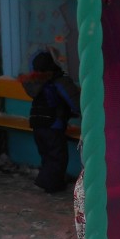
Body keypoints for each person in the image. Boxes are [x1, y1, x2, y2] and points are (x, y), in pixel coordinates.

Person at [21, 50, 80, 193]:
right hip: (52, 124)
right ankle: (50, 185)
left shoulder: (37, 82)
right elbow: (75, 102)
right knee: (58, 157)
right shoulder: (59, 80)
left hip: (37, 123)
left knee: (48, 156)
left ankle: (51, 182)